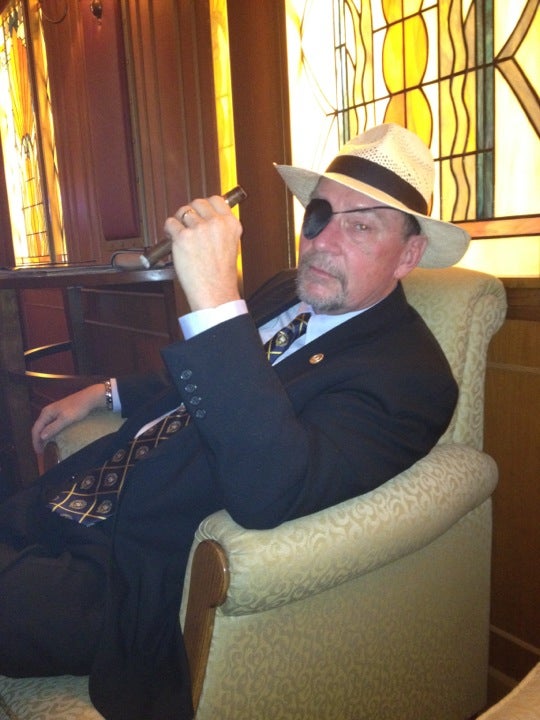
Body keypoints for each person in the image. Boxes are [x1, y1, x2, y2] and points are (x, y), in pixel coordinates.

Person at [0, 123, 469, 719]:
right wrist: (105, 393)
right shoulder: (285, 292)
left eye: (361, 226)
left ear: (409, 254)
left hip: (127, 577)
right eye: (319, 215)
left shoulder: (410, 378)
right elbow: (196, 385)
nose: (323, 241)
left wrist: (218, 302)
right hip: (75, 495)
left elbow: (272, 489)